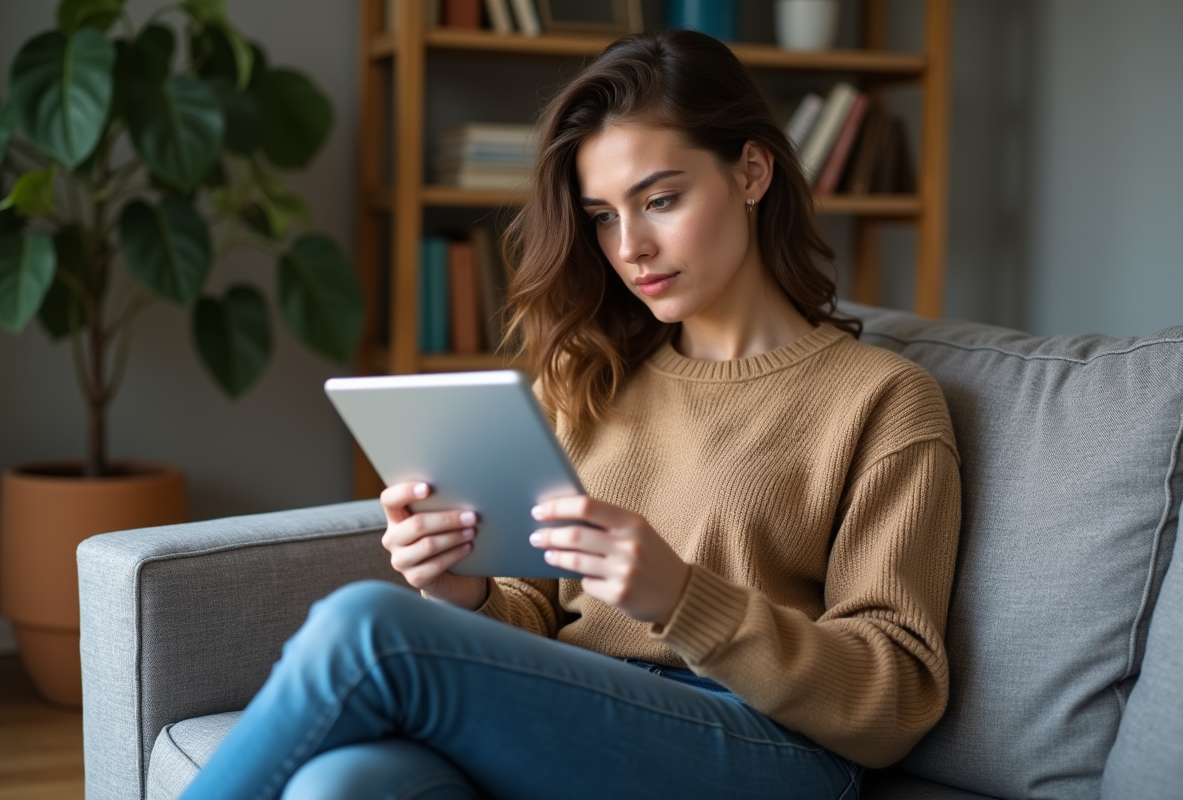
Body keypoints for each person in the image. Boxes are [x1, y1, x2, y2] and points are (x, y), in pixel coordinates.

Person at [179, 28, 961, 800]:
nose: (632, 248)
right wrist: (465, 595)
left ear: (751, 171)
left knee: (365, 628)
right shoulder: (595, 375)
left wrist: (683, 597)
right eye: (603, 216)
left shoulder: (882, 400)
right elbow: (541, 613)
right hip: (591, 714)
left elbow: (895, 698)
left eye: (660, 200)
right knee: (342, 783)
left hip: (770, 743)